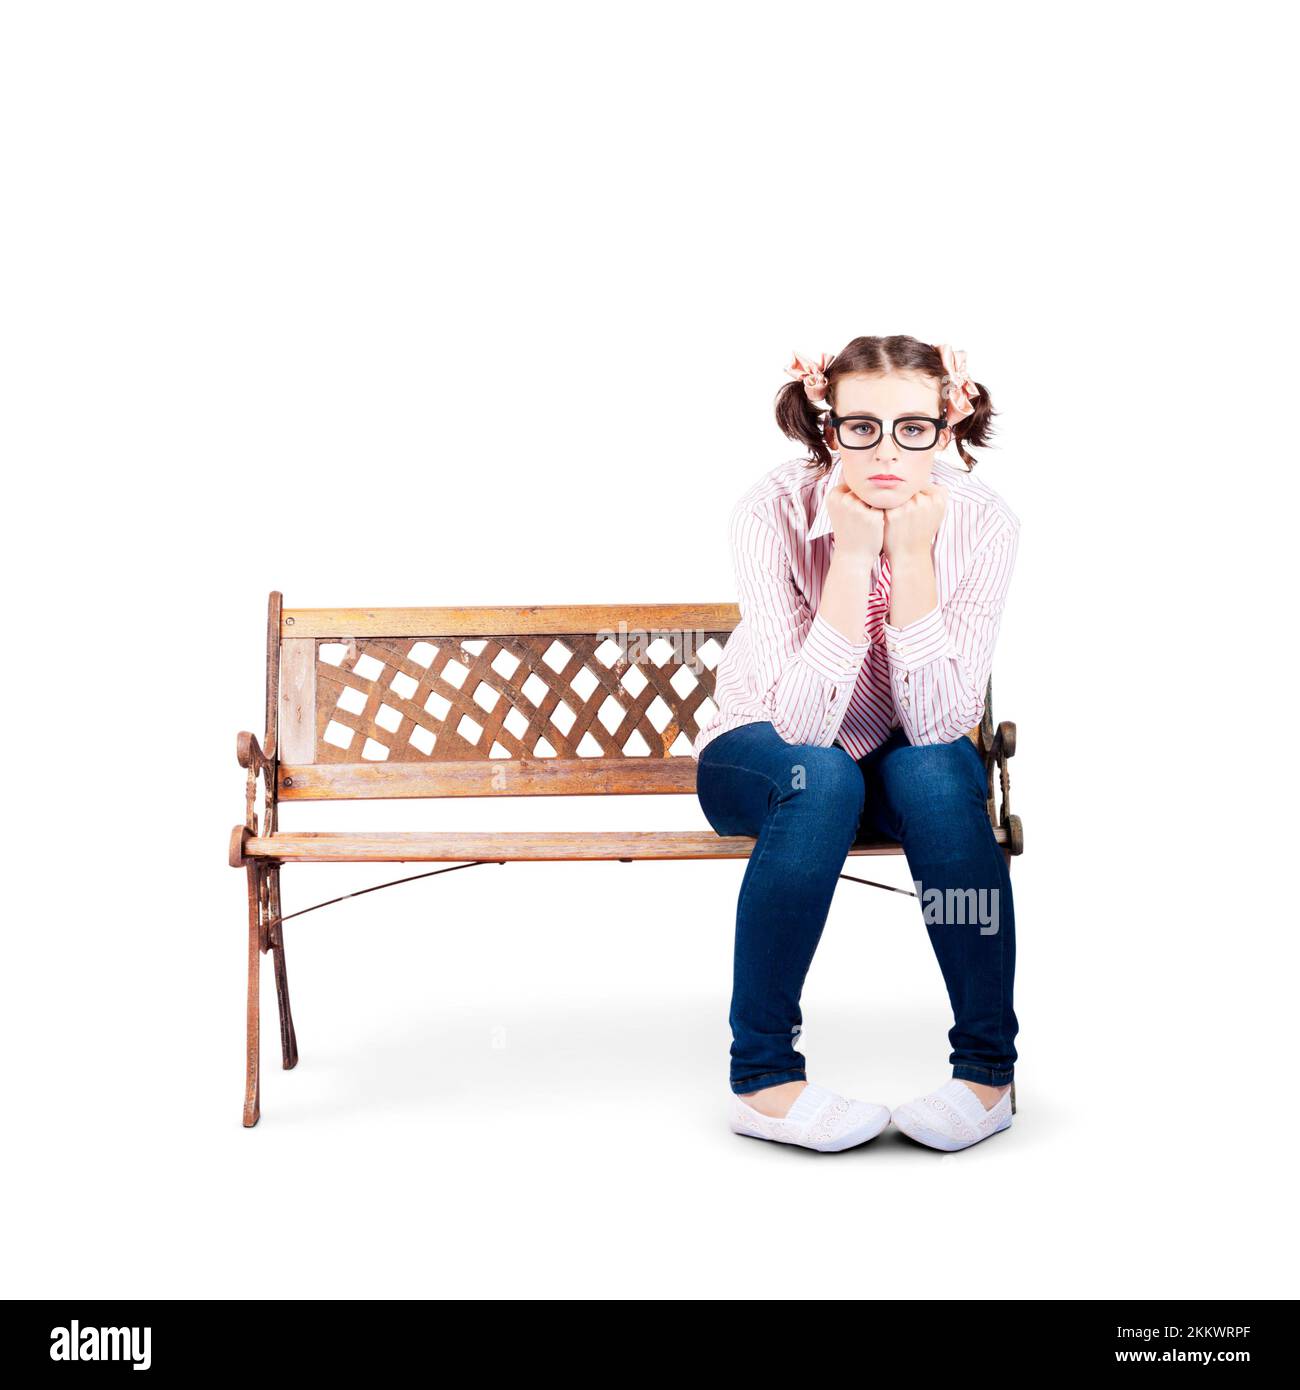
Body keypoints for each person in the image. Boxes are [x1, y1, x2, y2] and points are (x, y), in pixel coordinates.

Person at [692, 334, 1020, 1153]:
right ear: (826, 426)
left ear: (947, 426)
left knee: (942, 777)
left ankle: (987, 1077)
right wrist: (852, 559)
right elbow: (800, 725)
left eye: (912, 427)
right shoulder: (768, 510)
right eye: (860, 427)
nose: (884, 450)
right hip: (759, 752)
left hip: (896, 749)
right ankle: (764, 1080)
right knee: (821, 775)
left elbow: (942, 720)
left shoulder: (984, 524)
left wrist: (911, 562)